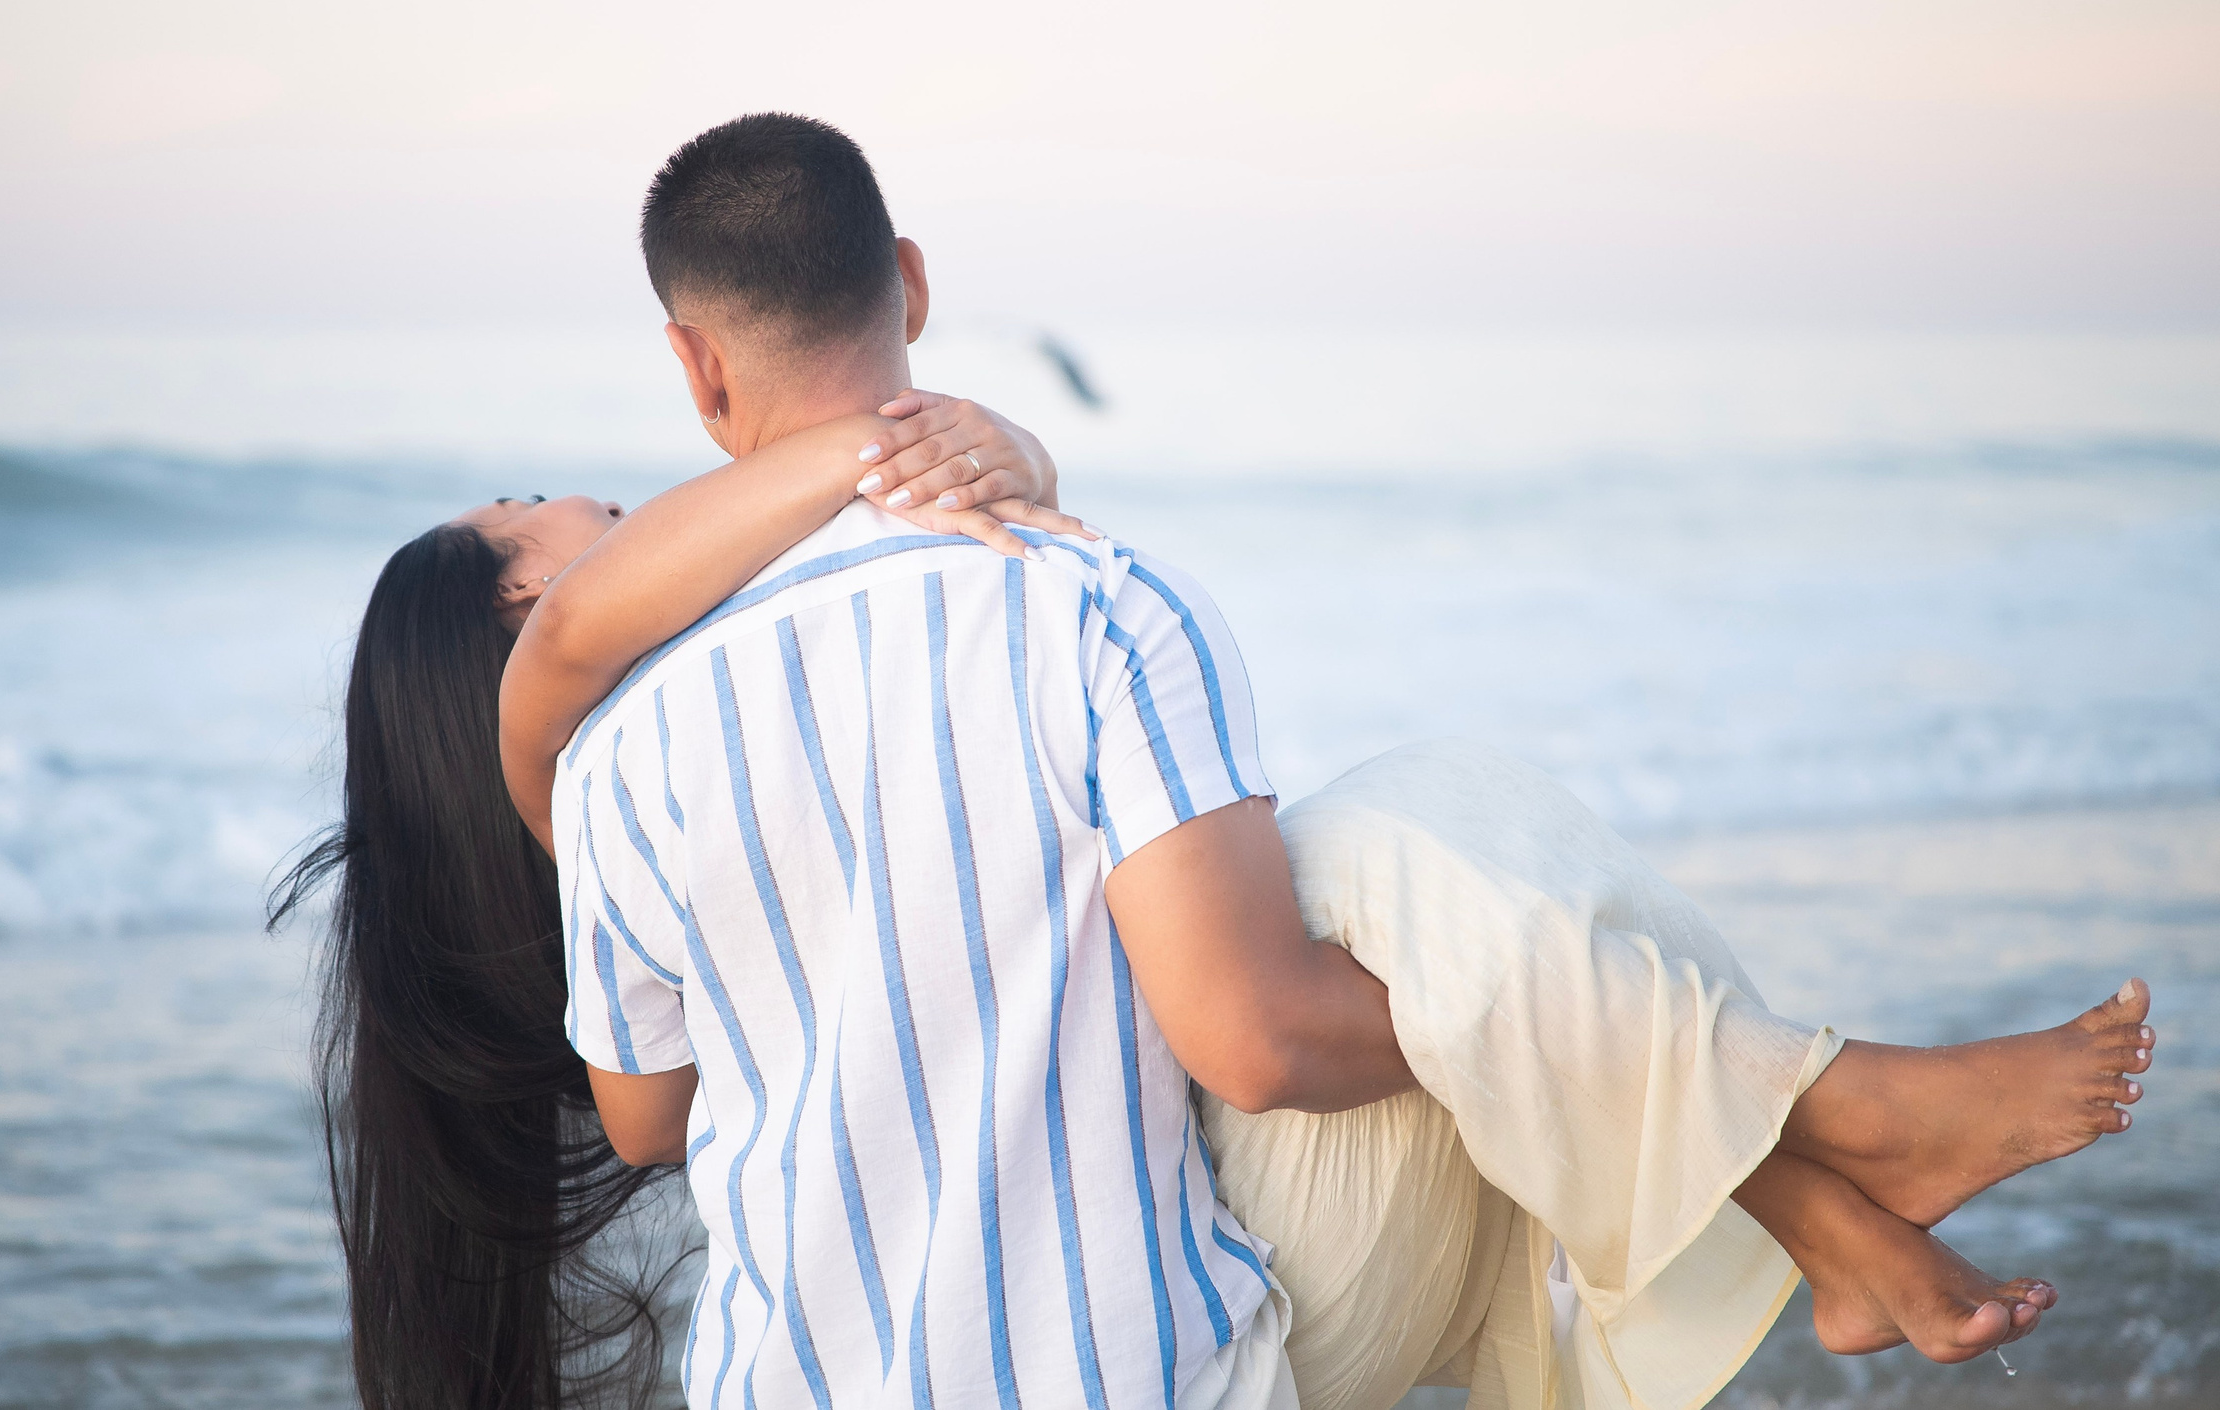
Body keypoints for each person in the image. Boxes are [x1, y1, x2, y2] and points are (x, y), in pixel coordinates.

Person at [286, 113, 2159, 1410]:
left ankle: (1815, 1169)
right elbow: (1257, 1040)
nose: (642, 542)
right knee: (1410, 856)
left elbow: (648, 1108)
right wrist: (948, 433)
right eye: (594, 537)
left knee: (1396, 912)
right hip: (1154, 1363)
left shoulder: (622, 773)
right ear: (912, 283)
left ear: (698, 374)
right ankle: (1815, 1126)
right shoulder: (1059, 606)